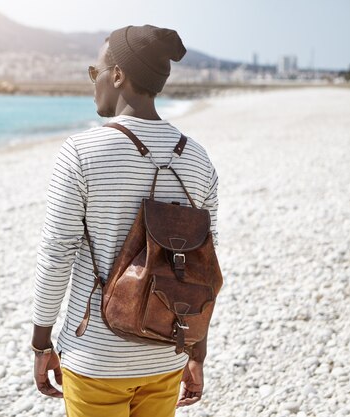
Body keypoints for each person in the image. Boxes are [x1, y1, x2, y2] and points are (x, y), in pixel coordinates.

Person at [31, 25, 219, 417]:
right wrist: (196, 348)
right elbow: (204, 264)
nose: (93, 81)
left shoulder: (80, 152)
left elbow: (57, 254)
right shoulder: (199, 159)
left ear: (117, 75)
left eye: (94, 71)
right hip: (166, 351)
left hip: (96, 355)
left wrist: (41, 341)